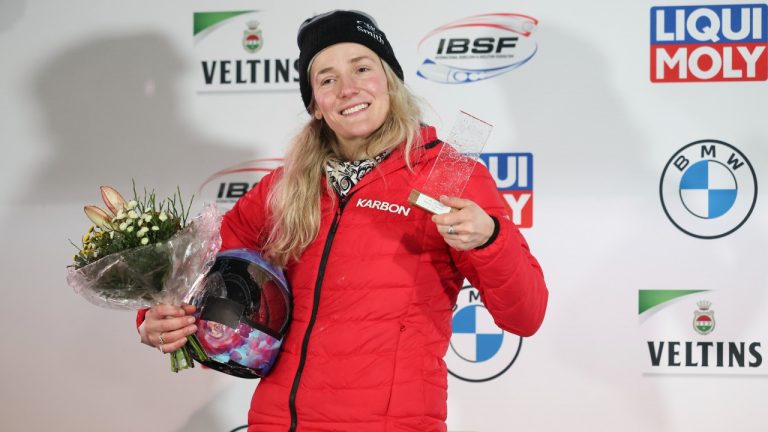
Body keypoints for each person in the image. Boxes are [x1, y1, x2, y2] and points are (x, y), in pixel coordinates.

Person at [137, 10, 548, 432]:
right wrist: (158, 314)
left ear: (389, 80)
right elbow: (193, 270)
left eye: (362, 68)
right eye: (328, 79)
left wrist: (489, 239)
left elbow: (526, 314)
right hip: (280, 422)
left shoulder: (446, 174)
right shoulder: (285, 186)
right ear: (315, 104)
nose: (348, 89)